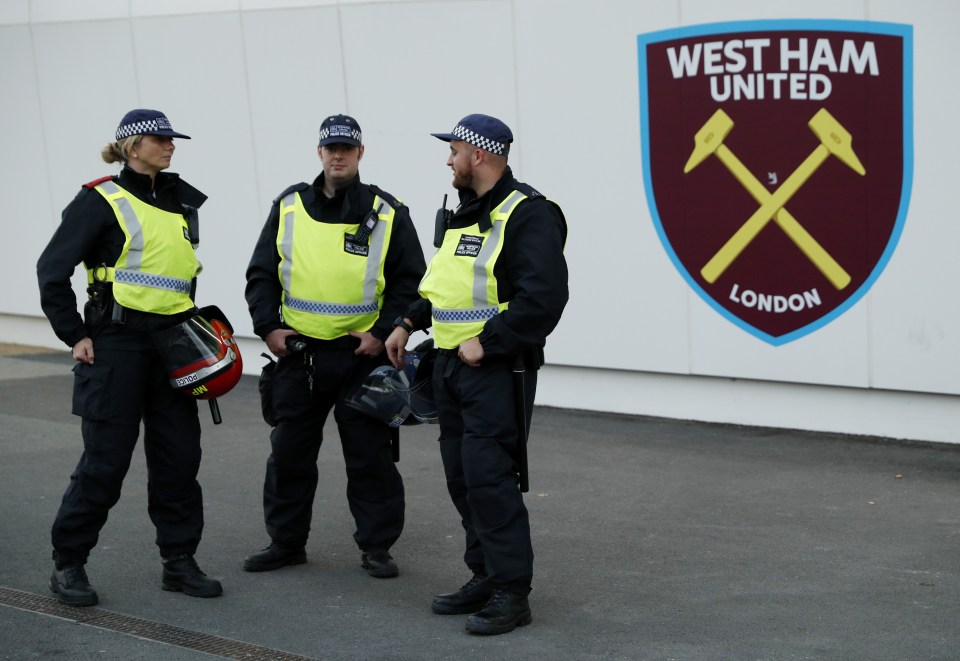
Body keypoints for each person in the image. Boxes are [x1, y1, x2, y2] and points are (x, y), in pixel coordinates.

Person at [385, 114, 568, 634]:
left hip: (495, 369)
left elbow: (543, 300)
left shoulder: (529, 213)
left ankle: (512, 593)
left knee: (491, 482)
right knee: (464, 480)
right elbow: (445, 287)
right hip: (449, 366)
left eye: (454, 151)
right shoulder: (465, 212)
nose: (448, 160)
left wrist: (485, 343)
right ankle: (484, 576)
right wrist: (406, 322)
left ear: (480, 155)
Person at [37, 109, 223, 606]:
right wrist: (73, 333)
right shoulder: (100, 199)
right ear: (132, 145)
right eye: (160, 139)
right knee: (104, 463)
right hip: (115, 343)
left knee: (179, 459)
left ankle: (179, 562)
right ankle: (68, 564)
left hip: (172, 347)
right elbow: (51, 269)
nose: (170, 146)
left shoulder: (180, 202)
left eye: (172, 139)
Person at [244, 114, 426, 578]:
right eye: (331, 148)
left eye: (347, 148)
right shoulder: (287, 206)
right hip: (298, 356)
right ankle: (285, 543)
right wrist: (268, 328)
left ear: (361, 153)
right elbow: (262, 275)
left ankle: (377, 547)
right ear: (319, 153)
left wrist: (383, 334)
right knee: (288, 454)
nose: (338, 155)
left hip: (360, 358)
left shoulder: (387, 212)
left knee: (371, 457)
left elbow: (412, 283)